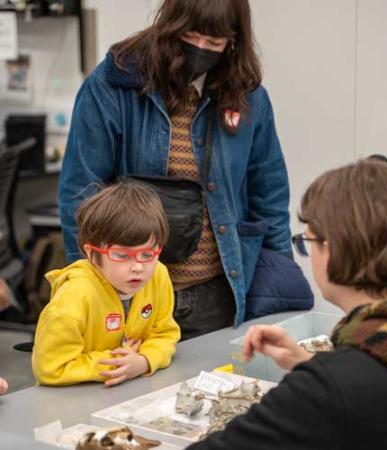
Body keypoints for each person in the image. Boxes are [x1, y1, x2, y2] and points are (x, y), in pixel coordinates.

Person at [59, 0, 311, 340]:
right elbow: (80, 193)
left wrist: (279, 282)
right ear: (169, 25)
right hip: (131, 297)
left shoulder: (247, 96)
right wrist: (87, 287)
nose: (200, 49)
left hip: (217, 294)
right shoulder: (114, 85)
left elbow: (269, 194)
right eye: (191, 37)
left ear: (233, 41)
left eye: (215, 43)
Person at [187, 159, 387, 450]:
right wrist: (305, 362)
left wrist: (318, 378)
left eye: (307, 241)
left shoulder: (327, 387)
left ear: (334, 248)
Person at [32, 183, 180, 386]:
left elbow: (165, 333)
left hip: (133, 393)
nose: (138, 266)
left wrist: (144, 360)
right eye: (121, 255)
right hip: (75, 403)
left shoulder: (158, 275)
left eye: (148, 254)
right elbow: (50, 368)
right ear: (92, 254)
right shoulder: (74, 298)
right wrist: (117, 363)